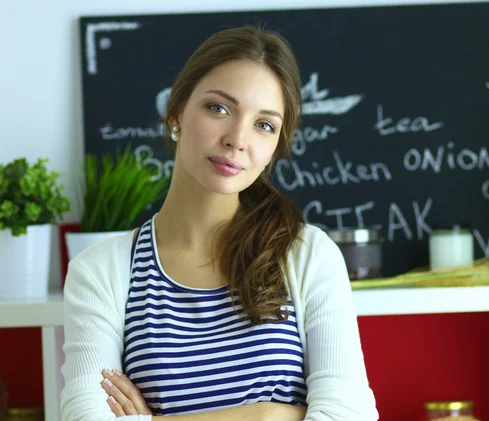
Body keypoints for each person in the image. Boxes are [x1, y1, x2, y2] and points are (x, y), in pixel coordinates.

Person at [60, 25, 379, 421]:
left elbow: (349, 415)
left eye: (264, 125)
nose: (237, 139)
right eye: (219, 108)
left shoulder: (308, 255)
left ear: (274, 147)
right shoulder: (100, 271)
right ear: (175, 114)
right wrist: (269, 415)